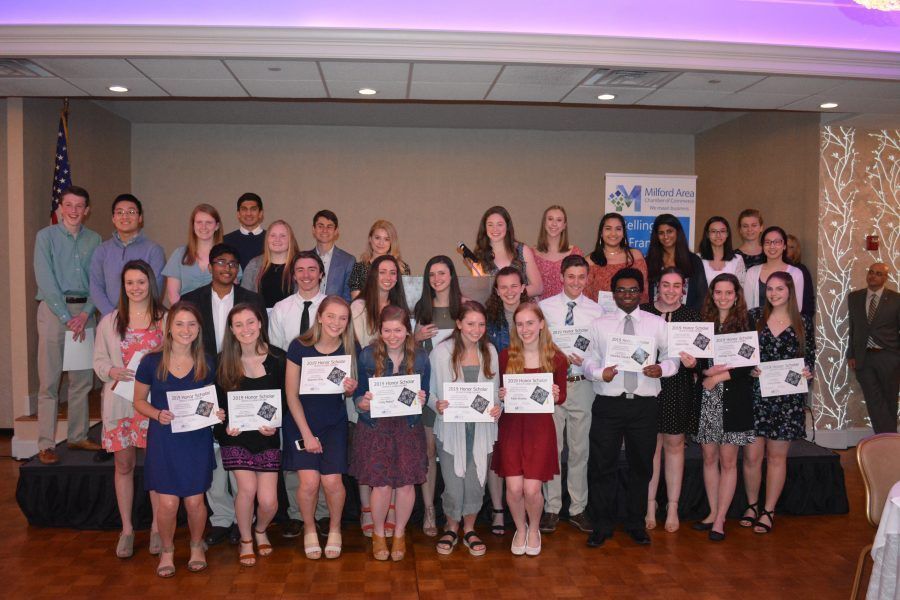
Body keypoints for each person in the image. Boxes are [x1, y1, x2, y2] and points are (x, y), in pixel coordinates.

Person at [583, 268, 680, 548]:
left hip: (644, 406)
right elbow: (587, 360)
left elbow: (673, 355)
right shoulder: (599, 324)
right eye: (622, 291)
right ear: (614, 294)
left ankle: (635, 523)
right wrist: (601, 373)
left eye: (632, 290)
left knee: (641, 466)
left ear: (642, 293)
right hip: (608, 404)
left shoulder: (656, 323)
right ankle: (602, 524)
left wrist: (661, 368)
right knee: (602, 466)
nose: (627, 295)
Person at [181, 243, 267, 547]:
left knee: (238, 444)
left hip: (242, 383)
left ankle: (243, 519)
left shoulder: (252, 300)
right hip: (204, 382)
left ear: (238, 269)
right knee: (214, 451)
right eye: (221, 262)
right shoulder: (191, 300)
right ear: (210, 266)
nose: (227, 268)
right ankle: (220, 517)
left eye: (233, 263)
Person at [132, 301, 224, 577]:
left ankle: (197, 546)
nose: (186, 330)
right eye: (180, 324)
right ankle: (168, 549)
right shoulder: (150, 361)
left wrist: (217, 412)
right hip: (164, 440)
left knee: (195, 502)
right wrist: (157, 413)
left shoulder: (208, 361)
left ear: (199, 328)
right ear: (169, 327)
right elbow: (138, 401)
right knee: (168, 503)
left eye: (192, 324)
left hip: (196, 439)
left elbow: (211, 402)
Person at [93, 260, 166, 558]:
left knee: (156, 468)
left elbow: (180, 353)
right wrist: (112, 370)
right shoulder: (109, 321)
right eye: (130, 283)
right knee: (123, 466)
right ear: (123, 287)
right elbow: (97, 360)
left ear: (150, 283)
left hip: (153, 405)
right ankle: (126, 529)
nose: (136, 288)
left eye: (141, 281)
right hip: (120, 403)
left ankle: (159, 528)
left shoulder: (165, 318)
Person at [351, 305, 430, 561]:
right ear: (380, 330)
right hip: (376, 428)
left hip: (407, 426)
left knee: (406, 484)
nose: (392, 335)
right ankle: (378, 534)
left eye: (398, 330)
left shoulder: (420, 358)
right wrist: (361, 402)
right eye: (387, 330)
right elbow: (358, 395)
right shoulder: (366, 355)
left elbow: (424, 394)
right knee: (382, 485)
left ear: (408, 330)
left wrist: (421, 397)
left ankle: (399, 533)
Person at [284, 296, 359, 559]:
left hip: (334, 423)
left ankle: (335, 529)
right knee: (308, 482)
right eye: (331, 316)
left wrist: (351, 387)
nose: (336, 322)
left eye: (342, 318)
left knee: (333, 481)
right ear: (319, 316)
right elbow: (291, 394)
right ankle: (309, 529)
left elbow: (352, 386)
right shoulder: (299, 346)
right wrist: (306, 433)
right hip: (301, 422)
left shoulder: (350, 346)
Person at [34, 185, 102, 464]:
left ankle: (77, 437)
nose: (74, 211)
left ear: (87, 211)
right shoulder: (45, 237)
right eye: (69, 205)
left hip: (85, 313)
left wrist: (85, 314)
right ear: (60, 208)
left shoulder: (95, 240)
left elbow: (98, 282)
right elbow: (46, 280)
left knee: (81, 381)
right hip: (53, 312)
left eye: (79, 206)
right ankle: (46, 444)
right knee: (49, 382)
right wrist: (66, 317)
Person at [743, 272, 815, 534]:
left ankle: (768, 510)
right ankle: (751, 505)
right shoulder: (753, 317)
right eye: (770, 289)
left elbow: (809, 358)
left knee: (776, 457)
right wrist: (750, 368)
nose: (774, 294)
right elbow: (743, 353)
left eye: (779, 289)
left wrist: (808, 372)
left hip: (787, 400)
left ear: (790, 291)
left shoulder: (803, 322)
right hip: (756, 396)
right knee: (752, 456)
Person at [537, 255, 604, 535]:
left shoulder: (597, 311)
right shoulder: (544, 308)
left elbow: (600, 349)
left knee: (579, 450)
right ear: (561, 277)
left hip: (581, 384)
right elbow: (535, 343)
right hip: (552, 385)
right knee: (552, 449)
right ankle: (552, 507)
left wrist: (588, 360)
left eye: (581, 277)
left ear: (587, 279)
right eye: (571, 276)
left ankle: (577, 508)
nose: (576, 282)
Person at [214, 303, 284, 566]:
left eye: (251, 322)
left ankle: (260, 529)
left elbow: (284, 401)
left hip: (267, 437)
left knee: (269, 501)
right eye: (239, 324)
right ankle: (245, 539)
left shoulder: (278, 359)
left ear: (260, 323)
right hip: (235, 437)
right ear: (231, 329)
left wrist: (275, 423)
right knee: (247, 489)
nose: (246, 329)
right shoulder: (222, 361)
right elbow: (217, 406)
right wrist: (223, 424)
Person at [493, 303, 566, 556]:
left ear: (541, 324)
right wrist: (500, 395)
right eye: (520, 324)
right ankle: (520, 529)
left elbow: (562, 397)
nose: (525, 329)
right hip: (512, 428)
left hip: (539, 429)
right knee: (513, 488)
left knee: (532, 489)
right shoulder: (506, 356)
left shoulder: (556, 358)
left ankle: (534, 528)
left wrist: (555, 395)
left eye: (530, 323)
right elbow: (499, 397)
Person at [429, 301, 501, 557]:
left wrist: (497, 407)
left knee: (475, 482)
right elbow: (429, 392)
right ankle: (451, 527)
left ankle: (469, 529)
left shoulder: (490, 351)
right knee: (453, 484)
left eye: (481, 324)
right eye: (470, 323)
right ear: (459, 324)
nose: (476, 329)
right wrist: (436, 404)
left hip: (481, 431)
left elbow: (496, 394)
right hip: (451, 429)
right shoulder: (441, 352)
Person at [266, 250, 329, 538]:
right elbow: (276, 352)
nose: (306, 275)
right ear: (294, 275)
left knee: (325, 453)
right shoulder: (281, 309)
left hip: (325, 394)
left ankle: (324, 515)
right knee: (295, 455)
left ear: (321, 274)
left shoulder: (331, 307)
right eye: (300, 270)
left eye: (312, 269)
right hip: (291, 391)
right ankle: (296, 514)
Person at [692, 273, 756, 541]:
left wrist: (715, 377)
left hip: (734, 400)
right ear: (711, 294)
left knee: (729, 462)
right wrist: (706, 374)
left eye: (728, 292)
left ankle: (720, 520)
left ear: (737, 295)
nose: (723, 297)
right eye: (718, 292)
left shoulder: (746, 323)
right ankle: (712, 511)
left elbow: (747, 367)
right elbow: (695, 362)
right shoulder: (702, 323)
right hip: (707, 401)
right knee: (709, 458)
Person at [349, 253, 410, 536]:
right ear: (373, 274)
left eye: (393, 272)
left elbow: (405, 344)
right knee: (368, 453)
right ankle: (367, 511)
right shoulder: (360, 306)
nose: (388, 277)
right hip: (370, 386)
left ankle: (393, 511)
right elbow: (364, 349)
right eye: (382, 271)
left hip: (396, 389)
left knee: (395, 453)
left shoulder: (401, 306)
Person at [640, 267, 700, 534]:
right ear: (657, 286)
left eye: (677, 286)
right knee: (650, 447)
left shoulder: (692, 316)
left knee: (675, 445)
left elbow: (704, 358)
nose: (671, 290)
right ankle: (650, 504)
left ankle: (673, 505)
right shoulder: (643, 312)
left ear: (683, 289)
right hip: (647, 384)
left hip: (678, 386)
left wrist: (695, 361)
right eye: (666, 284)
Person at [413, 255, 468, 537]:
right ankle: (429, 510)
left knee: (453, 450)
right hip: (428, 393)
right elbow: (405, 349)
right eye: (432, 274)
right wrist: (416, 338)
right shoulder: (421, 310)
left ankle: (455, 511)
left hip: (459, 395)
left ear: (451, 275)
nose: (437, 279)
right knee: (429, 452)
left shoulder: (464, 306)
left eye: (442, 273)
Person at [484, 266, 528, 535]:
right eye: (504, 287)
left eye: (514, 286)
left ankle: (529, 508)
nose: (510, 292)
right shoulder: (489, 320)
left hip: (528, 399)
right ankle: (499, 509)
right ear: (497, 291)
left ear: (523, 287)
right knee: (497, 452)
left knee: (527, 453)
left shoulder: (534, 316)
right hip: (498, 394)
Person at [89, 193, 166, 317]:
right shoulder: (102, 250)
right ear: (113, 218)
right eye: (119, 212)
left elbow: (155, 289)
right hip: (109, 320)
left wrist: (135, 316)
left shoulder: (154, 250)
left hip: (143, 321)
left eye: (131, 212)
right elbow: (96, 287)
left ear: (140, 218)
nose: (125, 216)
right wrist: (113, 316)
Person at [846, 262, 899, 434]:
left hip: (889, 356)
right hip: (863, 357)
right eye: (871, 272)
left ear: (885, 278)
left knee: (890, 398)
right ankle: (889, 437)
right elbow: (853, 328)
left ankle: (886, 439)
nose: (873, 276)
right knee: (873, 399)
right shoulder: (854, 297)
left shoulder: (896, 299)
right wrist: (851, 354)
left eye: (878, 273)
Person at [473, 205, 542, 297]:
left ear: (507, 227)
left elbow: (538, 288)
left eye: (500, 224)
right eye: (490, 225)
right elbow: (481, 292)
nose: (495, 229)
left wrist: (511, 296)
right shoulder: (479, 255)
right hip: (494, 310)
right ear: (485, 228)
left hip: (521, 309)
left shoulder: (522, 250)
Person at [163, 203, 223, 305]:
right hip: (186, 315)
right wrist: (186, 317)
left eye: (209, 222)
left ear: (217, 226)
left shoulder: (226, 255)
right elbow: (173, 295)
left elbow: (232, 291)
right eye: (199, 222)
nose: (203, 227)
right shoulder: (179, 254)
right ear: (193, 225)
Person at [645, 213, 706, 311]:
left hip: (687, 320)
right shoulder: (648, 262)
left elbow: (702, 294)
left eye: (669, 231)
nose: (665, 236)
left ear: (678, 232)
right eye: (661, 233)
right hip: (654, 319)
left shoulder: (694, 261)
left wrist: (691, 317)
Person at [585, 212, 649, 305]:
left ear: (623, 233)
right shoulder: (590, 261)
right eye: (608, 228)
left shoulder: (635, 256)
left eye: (618, 229)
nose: (613, 233)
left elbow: (644, 293)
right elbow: (586, 297)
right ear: (601, 233)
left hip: (631, 315)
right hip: (599, 316)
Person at [240, 220, 301, 308]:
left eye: (282, 236)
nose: (277, 239)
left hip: (291, 319)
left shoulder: (299, 265)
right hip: (261, 319)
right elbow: (244, 298)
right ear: (267, 239)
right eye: (273, 235)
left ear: (290, 239)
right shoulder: (254, 265)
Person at [744, 226, 805, 313]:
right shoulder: (752, 273)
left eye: (777, 242)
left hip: (786, 325)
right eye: (767, 242)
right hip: (757, 324)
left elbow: (797, 308)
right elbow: (748, 307)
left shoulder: (796, 273)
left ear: (784, 246)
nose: (772, 246)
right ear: (762, 246)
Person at [348, 220, 410, 298]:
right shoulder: (359, 268)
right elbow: (356, 301)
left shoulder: (402, 269)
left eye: (386, 239)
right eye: (377, 238)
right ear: (370, 239)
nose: (381, 243)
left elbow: (404, 299)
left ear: (392, 242)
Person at [533, 205, 583, 300]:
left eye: (559, 220)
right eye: (550, 219)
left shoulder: (575, 253)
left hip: (565, 309)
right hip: (539, 309)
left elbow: (580, 285)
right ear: (544, 223)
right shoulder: (532, 254)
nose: (554, 224)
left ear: (564, 225)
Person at [311, 209, 356, 302]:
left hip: (335, 314)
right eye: (320, 226)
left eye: (329, 227)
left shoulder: (348, 261)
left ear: (336, 231)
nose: (324, 230)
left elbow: (348, 298)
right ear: (313, 229)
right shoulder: (303, 259)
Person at [697, 216, 746, 298]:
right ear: (707, 234)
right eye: (713, 231)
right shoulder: (697, 259)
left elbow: (741, 290)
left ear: (727, 234)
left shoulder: (737, 259)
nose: (718, 235)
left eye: (722, 231)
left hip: (730, 309)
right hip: (704, 308)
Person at [223, 192, 265, 269]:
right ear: (238, 214)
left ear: (260, 213)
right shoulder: (225, 241)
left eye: (253, 209)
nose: (248, 213)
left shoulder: (272, 240)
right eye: (244, 209)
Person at [785, 234, 816, 318]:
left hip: (797, 317)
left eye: (791, 247)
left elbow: (808, 297)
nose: (787, 250)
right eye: (785, 246)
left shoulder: (801, 270)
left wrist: (806, 318)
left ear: (796, 251)